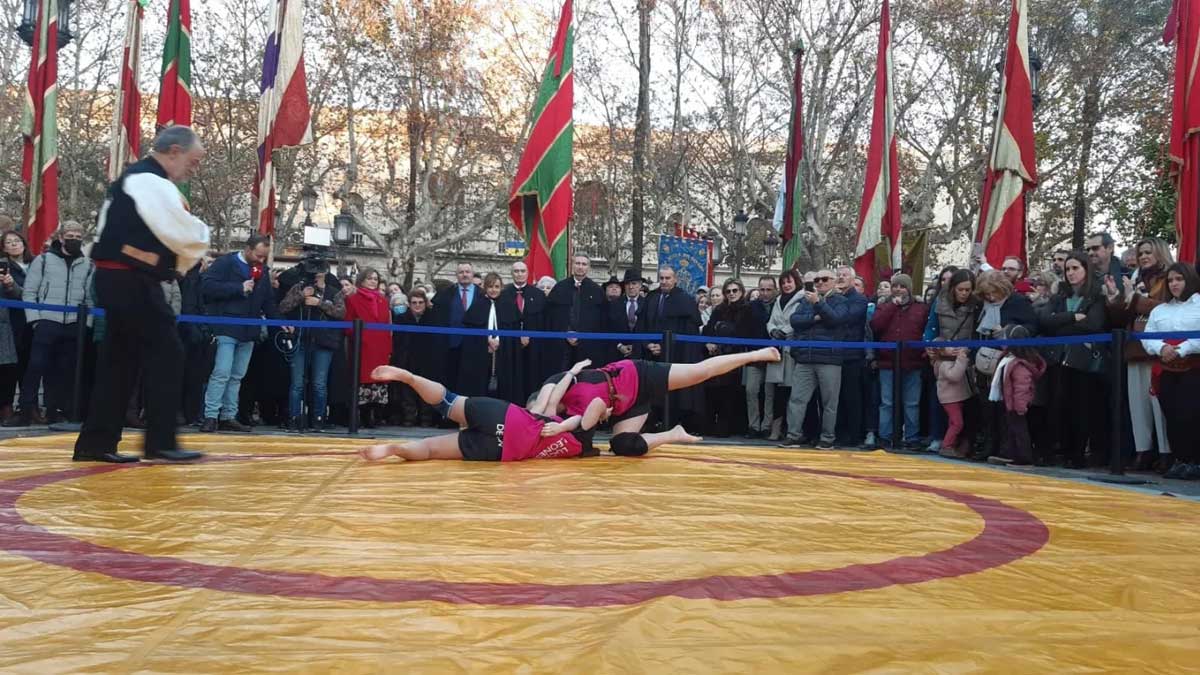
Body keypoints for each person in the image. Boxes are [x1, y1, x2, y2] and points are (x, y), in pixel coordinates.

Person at [73, 125, 210, 463]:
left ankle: (96, 443)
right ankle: (160, 442)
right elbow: (182, 232)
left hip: (118, 278)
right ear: (174, 151)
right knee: (168, 352)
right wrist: (194, 249)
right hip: (129, 280)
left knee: (118, 362)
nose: (193, 170)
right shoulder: (150, 181)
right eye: (193, 162)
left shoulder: (136, 179)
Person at [360, 362, 701, 462]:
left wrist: (572, 371)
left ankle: (410, 376)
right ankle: (394, 449)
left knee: (447, 401)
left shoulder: (550, 412)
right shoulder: (579, 441)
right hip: (504, 448)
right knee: (434, 449)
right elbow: (587, 414)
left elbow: (566, 404)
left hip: (506, 415)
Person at [538, 347, 782, 436]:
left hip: (637, 375)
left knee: (698, 372)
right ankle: (672, 434)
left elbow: (545, 408)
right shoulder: (568, 416)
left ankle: (755, 354)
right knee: (623, 446)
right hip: (627, 405)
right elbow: (554, 416)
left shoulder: (559, 384)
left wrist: (572, 371)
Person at [5, 223, 94, 427]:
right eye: (70, 235)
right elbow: (30, 291)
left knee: (63, 371)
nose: (74, 239)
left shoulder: (88, 264)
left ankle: (56, 410)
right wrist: (35, 319)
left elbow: (90, 298)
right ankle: (26, 409)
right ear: (61, 238)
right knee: (35, 367)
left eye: (78, 236)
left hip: (73, 324)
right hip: (46, 321)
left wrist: (85, 325)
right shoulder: (43, 260)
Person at [197, 234, 279, 433]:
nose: (261, 260)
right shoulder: (225, 263)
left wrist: (279, 322)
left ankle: (228, 415)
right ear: (249, 249)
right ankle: (210, 415)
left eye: (264, 257)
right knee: (221, 372)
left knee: (237, 375)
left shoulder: (262, 270)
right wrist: (237, 288)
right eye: (259, 255)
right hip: (227, 325)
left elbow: (267, 300)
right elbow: (206, 286)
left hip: (249, 329)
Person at [1105, 237, 1173, 471]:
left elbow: (1163, 308)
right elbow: (1121, 318)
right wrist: (1115, 299)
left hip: (1160, 350)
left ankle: (1166, 454)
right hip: (1134, 349)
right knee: (1138, 405)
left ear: (1160, 253)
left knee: (1159, 406)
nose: (1143, 256)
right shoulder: (1134, 278)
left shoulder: (1170, 278)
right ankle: (1142, 452)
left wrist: (1134, 298)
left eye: (1148, 252)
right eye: (1140, 252)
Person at [1039, 252, 1110, 468]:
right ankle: (1061, 450)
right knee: (1059, 406)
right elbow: (1044, 321)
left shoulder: (1096, 294)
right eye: (1067, 269)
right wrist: (1072, 318)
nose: (1070, 273)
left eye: (1075, 268)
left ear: (1086, 269)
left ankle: (1077, 454)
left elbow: (1093, 325)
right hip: (1058, 358)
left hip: (1084, 361)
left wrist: (1059, 325)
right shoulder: (1059, 295)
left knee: (1082, 408)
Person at [1140, 263, 1200, 479]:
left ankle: (1194, 461)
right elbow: (1148, 337)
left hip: (1194, 368)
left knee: (1190, 414)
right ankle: (1181, 459)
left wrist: (1183, 349)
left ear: (1189, 279)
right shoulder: (1160, 310)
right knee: (1172, 415)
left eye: (1179, 279)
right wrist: (1162, 348)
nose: (1174, 284)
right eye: (1171, 280)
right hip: (1166, 368)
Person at [781, 269, 849, 449]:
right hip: (805, 357)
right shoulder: (805, 300)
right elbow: (795, 321)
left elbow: (835, 320)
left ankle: (827, 438)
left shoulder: (841, 301)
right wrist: (816, 317)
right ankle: (793, 435)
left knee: (829, 402)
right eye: (817, 279)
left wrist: (818, 303)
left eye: (824, 279)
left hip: (829, 358)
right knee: (797, 399)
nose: (819, 282)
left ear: (834, 281)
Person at [278, 265, 345, 431]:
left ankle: (318, 419)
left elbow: (341, 313)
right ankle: (294, 418)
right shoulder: (299, 287)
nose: (316, 273)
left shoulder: (334, 291)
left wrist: (320, 303)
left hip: (324, 341)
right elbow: (283, 307)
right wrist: (302, 296)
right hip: (300, 339)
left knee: (319, 384)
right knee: (297, 383)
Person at [638, 266, 704, 426]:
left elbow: (688, 332)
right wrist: (648, 344)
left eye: (668, 278)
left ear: (675, 279)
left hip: (675, 355)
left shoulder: (685, 300)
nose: (664, 282)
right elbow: (642, 325)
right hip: (650, 353)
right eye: (661, 278)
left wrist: (665, 346)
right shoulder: (651, 298)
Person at [869, 273, 928, 451]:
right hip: (888, 362)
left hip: (913, 362)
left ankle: (912, 438)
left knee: (912, 403)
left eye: (902, 286)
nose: (898, 289)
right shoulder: (884, 306)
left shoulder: (921, 308)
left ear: (908, 288)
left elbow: (926, 331)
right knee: (887, 403)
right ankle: (885, 437)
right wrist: (891, 307)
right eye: (895, 286)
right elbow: (875, 326)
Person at [701, 279, 757, 437]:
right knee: (713, 392)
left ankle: (726, 428)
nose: (731, 294)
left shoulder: (748, 309)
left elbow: (744, 332)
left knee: (730, 393)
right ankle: (709, 426)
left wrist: (724, 329)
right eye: (728, 291)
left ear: (741, 291)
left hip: (737, 357)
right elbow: (708, 329)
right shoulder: (719, 309)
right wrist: (708, 343)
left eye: (735, 290)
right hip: (717, 355)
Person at [987, 325, 1045, 467]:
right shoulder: (1010, 358)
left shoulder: (1020, 364)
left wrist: (1019, 406)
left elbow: (1021, 387)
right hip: (1009, 401)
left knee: (1020, 431)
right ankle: (1011, 454)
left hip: (1016, 403)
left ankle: (1024, 458)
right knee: (1012, 429)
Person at [343, 267, 392, 427]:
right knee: (363, 382)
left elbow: (387, 324)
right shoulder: (352, 299)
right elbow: (348, 323)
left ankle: (376, 415)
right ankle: (363, 416)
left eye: (375, 279)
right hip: (362, 346)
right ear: (362, 280)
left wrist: (388, 346)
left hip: (380, 346)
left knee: (378, 381)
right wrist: (358, 337)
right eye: (370, 278)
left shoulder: (383, 300)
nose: (373, 281)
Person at [496, 261, 546, 405]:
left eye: (522, 271)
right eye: (516, 271)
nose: (519, 274)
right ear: (512, 274)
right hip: (509, 345)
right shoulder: (504, 294)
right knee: (510, 376)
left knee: (531, 376)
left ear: (527, 273)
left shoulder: (538, 294)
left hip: (533, 344)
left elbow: (542, 320)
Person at [544, 254, 605, 370]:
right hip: (561, 345)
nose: (580, 267)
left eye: (584, 264)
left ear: (588, 268)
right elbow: (551, 316)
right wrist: (566, 333)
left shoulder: (596, 290)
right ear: (572, 265)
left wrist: (580, 335)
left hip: (587, 346)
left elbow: (600, 320)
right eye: (577, 263)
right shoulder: (559, 288)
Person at [429, 263, 478, 401]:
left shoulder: (482, 294)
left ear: (472, 274)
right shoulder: (445, 294)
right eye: (461, 272)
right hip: (451, 346)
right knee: (450, 381)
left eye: (467, 271)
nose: (464, 274)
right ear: (456, 275)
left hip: (475, 347)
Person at [766, 269, 804, 441]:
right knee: (777, 392)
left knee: (793, 392)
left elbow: (797, 321)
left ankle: (792, 429)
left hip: (792, 350)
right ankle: (776, 428)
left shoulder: (802, 299)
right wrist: (773, 330)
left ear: (796, 282)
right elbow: (771, 320)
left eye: (789, 281)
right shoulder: (778, 300)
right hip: (777, 350)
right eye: (783, 282)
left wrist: (783, 331)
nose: (786, 285)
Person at [0, 230, 32, 421]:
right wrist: (8, 285)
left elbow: (30, 294)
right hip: (8, 322)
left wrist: (14, 286)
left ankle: (28, 407)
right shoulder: (4, 266)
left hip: (30, 320)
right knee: (8, 367)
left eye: (16, 241)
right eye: (8, 242)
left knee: (27, 366)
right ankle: (6, 406)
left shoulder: (36, 264)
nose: (13, 244)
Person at [393, 288, 437, 426]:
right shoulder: (401, 319)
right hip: (407, 359)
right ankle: (409, 417)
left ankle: (426, 418)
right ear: (409, 304)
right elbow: (397, 341)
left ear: (425, 303)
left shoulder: (432, 318)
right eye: (414, 302)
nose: (417, 305)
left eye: (420, 302)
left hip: (427, 359)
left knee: (426, 390)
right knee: (407, 390)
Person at [456, 272, 503, 398]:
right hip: (479, 355)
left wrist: (500, 342)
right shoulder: (477, 305)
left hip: (501, 354)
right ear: (485, 288)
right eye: (490, 286)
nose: (494, 290)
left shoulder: (507, 305)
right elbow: (472, 331)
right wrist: (486, 341)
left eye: (497, 287)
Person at [931, 344, 972, 459]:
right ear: (941, 351)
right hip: (950, 399)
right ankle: (946, 446)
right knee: (957, 423)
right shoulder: (944, 364)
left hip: (956, 397)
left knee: (953, 422)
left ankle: (952, 444)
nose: (954, 348)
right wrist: (961, 357)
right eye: (949, 347)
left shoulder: (946, 361)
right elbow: (955, 376)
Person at [610, 269, 645, 360]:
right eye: (627, 284)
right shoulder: (614, 304)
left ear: (640, 285)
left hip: (641, 354)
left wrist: (636, 346)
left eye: (634, 283)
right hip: (617, 354)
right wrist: (620, 346)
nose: (630, 287)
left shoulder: (647, 304)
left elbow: (649, 328)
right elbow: (609, 327)